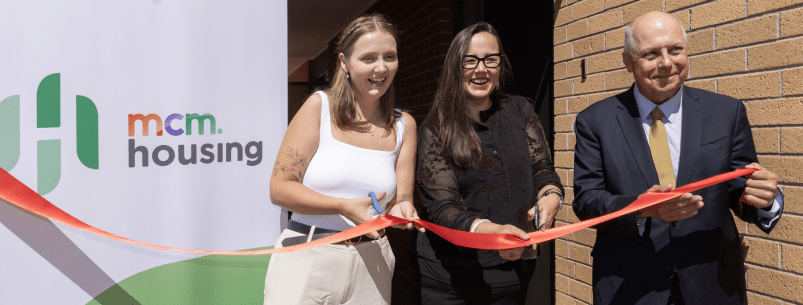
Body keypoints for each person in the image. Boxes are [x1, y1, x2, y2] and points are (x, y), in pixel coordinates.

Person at [572, 11, 785, 305]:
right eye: (650, 53)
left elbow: (741, 190)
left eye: (675, 50)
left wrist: (765, 199)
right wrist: (641, 208)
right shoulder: (595, 121)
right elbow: (587, 202)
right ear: (628, 61)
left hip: (712, 285)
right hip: (630, 287)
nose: (667, 63)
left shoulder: (726, 113)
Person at [263, 14, 421, 305]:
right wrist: (343, 206)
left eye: (389, 56)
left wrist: (403, 210)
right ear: (345, 62)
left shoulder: (404, 126)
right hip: (306, 255)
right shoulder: (318, 107)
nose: (381, 67)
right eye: (368, 58)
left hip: (373, 263)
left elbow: (401, 198)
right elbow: (280, 188)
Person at [415, 22, 564, 304]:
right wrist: (491, 233)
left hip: (516, 271)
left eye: (490, 59)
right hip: (452, 279)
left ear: (500, 65)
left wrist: (551, 194)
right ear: (454, 66)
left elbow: (542, 169)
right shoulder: (435, 130)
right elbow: (442, 208)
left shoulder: (521, 110)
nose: (481, 69)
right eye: (469, 60)